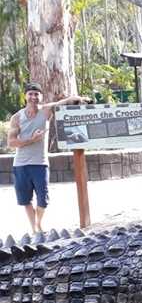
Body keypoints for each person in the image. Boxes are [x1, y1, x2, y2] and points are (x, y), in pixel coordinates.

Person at [7, 82, 89, 234]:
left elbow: (66, 101)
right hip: (20, 164)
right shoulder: (17, 117)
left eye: (36, 94)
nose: (33, 97)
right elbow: (11, 142)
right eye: (30, 94)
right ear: (25, 96)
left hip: (40, 163)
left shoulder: (45, 111)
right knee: (25, 200)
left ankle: (38, 223)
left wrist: (82, 99)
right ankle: (35, 228)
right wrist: (31, 139)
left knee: (43, 201)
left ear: (41, 96)